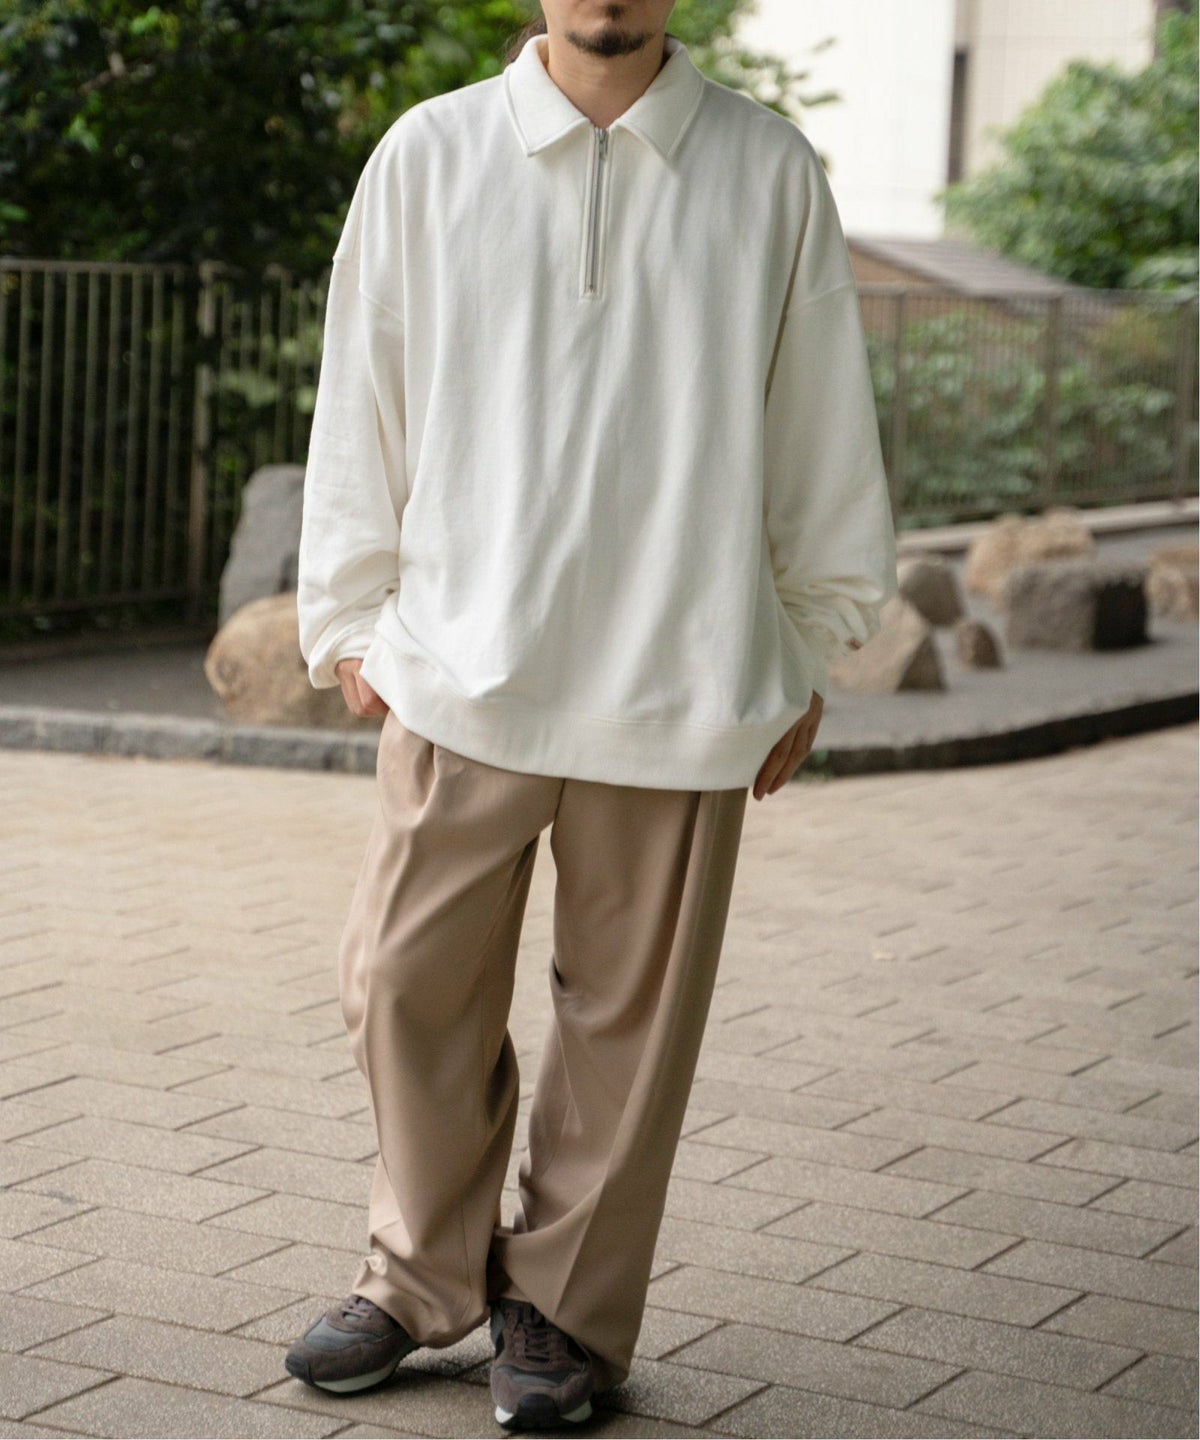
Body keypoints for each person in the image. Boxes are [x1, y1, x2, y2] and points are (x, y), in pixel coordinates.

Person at [287, 0, 898, 1430]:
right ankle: (420, 1273)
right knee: (399, 982)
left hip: (684, 675)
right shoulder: (431, 153)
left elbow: (820, 416)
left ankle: (562, 1309)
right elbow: (363, 383)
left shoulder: (768, 169)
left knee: (629, 1026)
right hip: (458, 665)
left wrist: (811, 641)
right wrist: (350, 615)